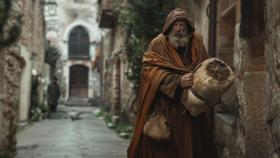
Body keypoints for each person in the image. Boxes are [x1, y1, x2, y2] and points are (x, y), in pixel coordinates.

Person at [127, 8, 217, 158]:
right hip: (167, 110)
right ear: (169, 27)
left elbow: (206, 67)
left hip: (193, 112)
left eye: (182, 25)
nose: (179, 29)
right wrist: (177, 81)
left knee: (195, 148)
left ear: (188, 28)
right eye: (175, 25)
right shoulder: (157, 44)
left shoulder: (197, 43)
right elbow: (149, 72)